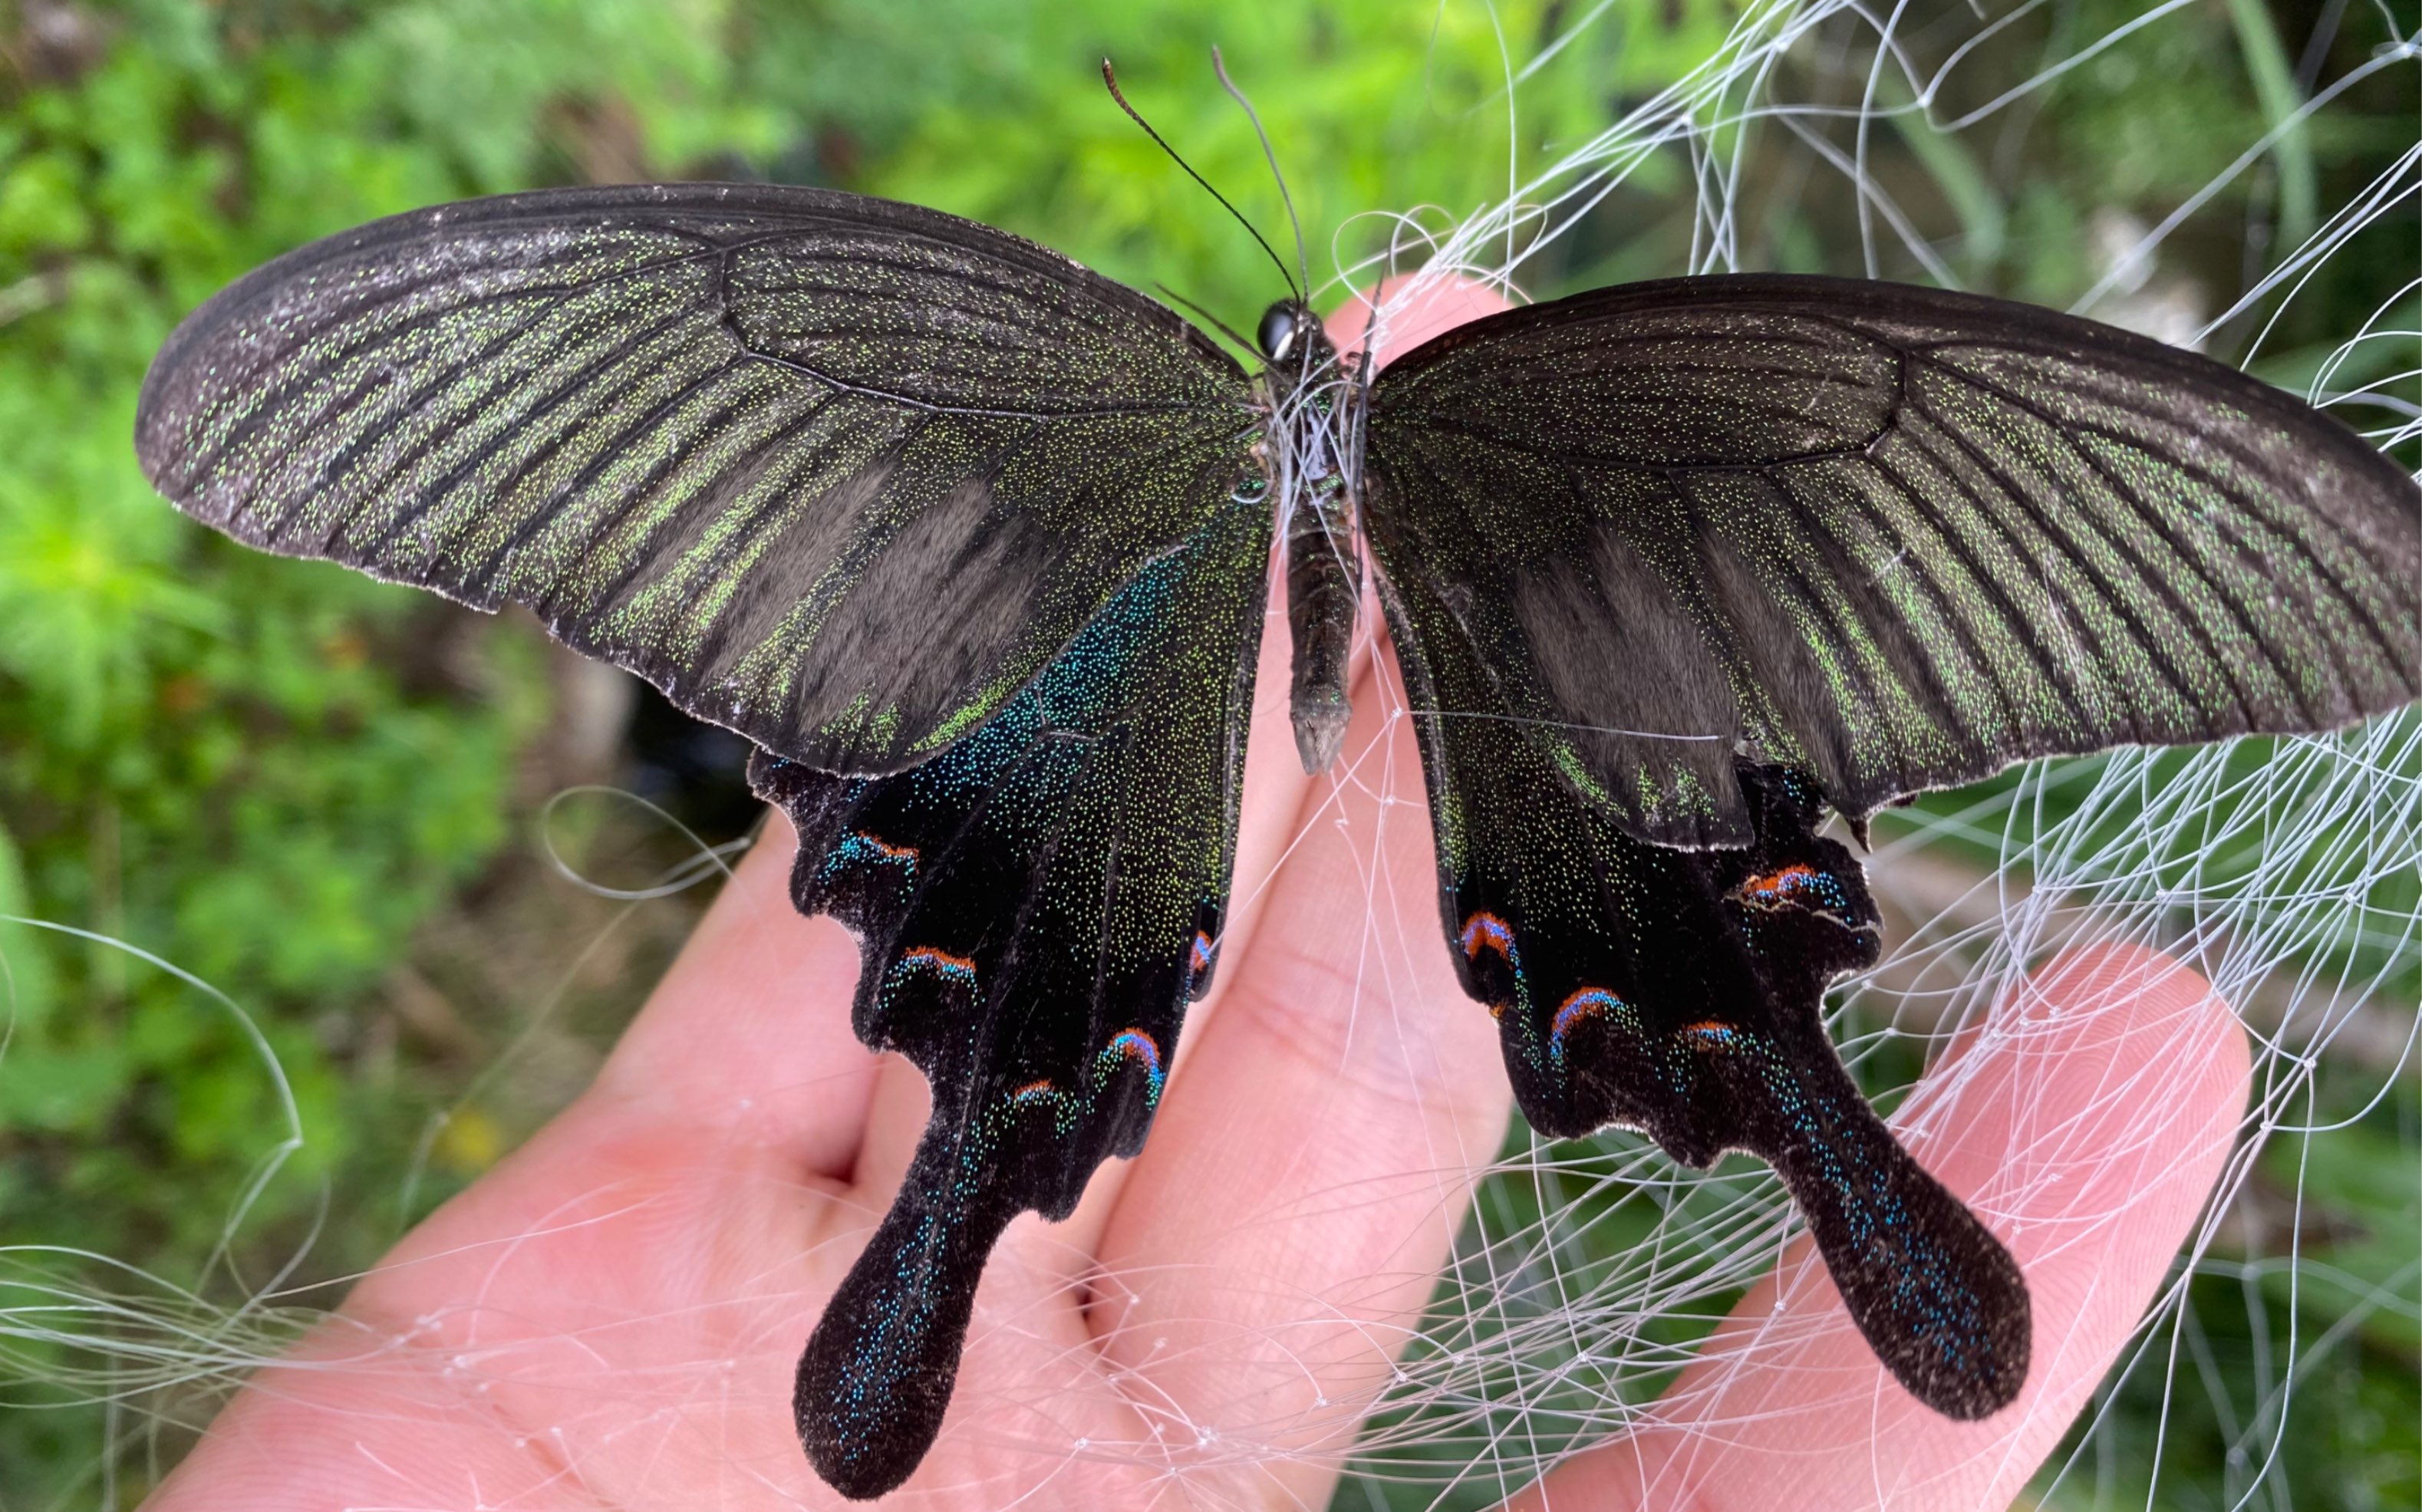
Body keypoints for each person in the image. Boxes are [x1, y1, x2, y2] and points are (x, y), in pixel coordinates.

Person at [144, 280, 2250, 1510]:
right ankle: (1819, 1154)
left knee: (995, 1096)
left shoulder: (1035, 372)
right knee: (1002, 1083)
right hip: (1200, 738)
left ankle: (963, 1205)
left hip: (1157, 729)